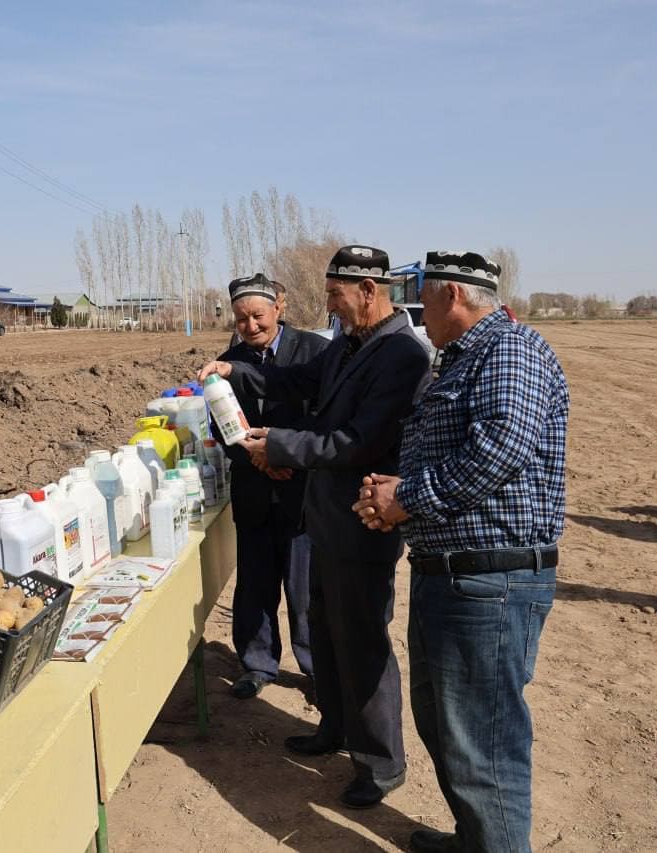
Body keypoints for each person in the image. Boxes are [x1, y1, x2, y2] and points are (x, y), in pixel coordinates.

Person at [199, 245, 431, 808]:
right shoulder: (349, 345)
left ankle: (380, 764)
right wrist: (235, 371)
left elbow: (361, 442)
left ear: (367, 293)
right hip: (326, 519)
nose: (327, 304)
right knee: (326, 633)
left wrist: (279, 443)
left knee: (360, 642)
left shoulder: (400, 354)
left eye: (334, 294)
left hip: (361, 521)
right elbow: (297, 380)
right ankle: (335, 728)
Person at [353, 250, 569, 852]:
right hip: (453, 577)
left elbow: (499, 451)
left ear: (450, 295)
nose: (417, 309)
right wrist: (390, 492)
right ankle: (477, 840)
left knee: (483, 742)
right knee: (449, 726)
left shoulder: (510, 352)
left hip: (488, 583)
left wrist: (407, 497)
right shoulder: (462, 359)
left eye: (423, 296)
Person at [214, 273, 328, 699]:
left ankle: (317, 669)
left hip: (302, 492)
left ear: (279, 307)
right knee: (256, 584)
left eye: (258, 316)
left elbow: (327, 418)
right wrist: (256, 459)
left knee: (305, 590)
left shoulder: (314, 353)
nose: (251, 326)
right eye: (241, 319)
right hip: (255, 490)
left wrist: (284, 454)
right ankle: (257, 664)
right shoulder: (227, 362)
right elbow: (222, 426)